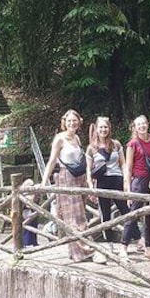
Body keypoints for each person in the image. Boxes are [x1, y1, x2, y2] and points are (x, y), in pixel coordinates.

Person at [41, 109, 96, 262]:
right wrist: (44, 182)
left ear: (79, 122)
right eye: (69, 121)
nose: (72, 123)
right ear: (64, 122)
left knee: (80, 215)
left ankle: (76, 252)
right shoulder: (60, 138)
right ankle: (86, 250)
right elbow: (52, 160)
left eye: (75, 120)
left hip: (79, 178)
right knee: (73, 218)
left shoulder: (77, 138)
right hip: (66, 178)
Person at [86, 117, 130, 252]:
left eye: (105, 127)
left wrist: (126, 181)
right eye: (101, 127)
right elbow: (88, 169)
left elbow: (123, 163)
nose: (103, 130)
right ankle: (109, 243)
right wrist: (90, 187)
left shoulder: (116, 144)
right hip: (102, 181)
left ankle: (133, 239)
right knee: (105, 214)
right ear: (96, 129)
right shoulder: (91, 148)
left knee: (125, 211)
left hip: (117, 179)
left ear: (109, 128)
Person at [120, 115, 150, 258]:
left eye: (144, 123)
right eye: (139, 124)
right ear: (135, 128)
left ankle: (148, 247)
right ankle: (124, 245)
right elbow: (128, 168)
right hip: (139, 180)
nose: (142, 126)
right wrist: (128, 188)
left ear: (148, 124)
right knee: (134, 213)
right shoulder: (132, 144)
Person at [21, 178, 39, 248]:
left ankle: (33, 242)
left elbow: (36, 201)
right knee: (27, 227)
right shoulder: (24, 193)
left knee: (34, 226)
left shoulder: (34, 193)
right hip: (26, 212)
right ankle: (27, 243)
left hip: (33, 211)